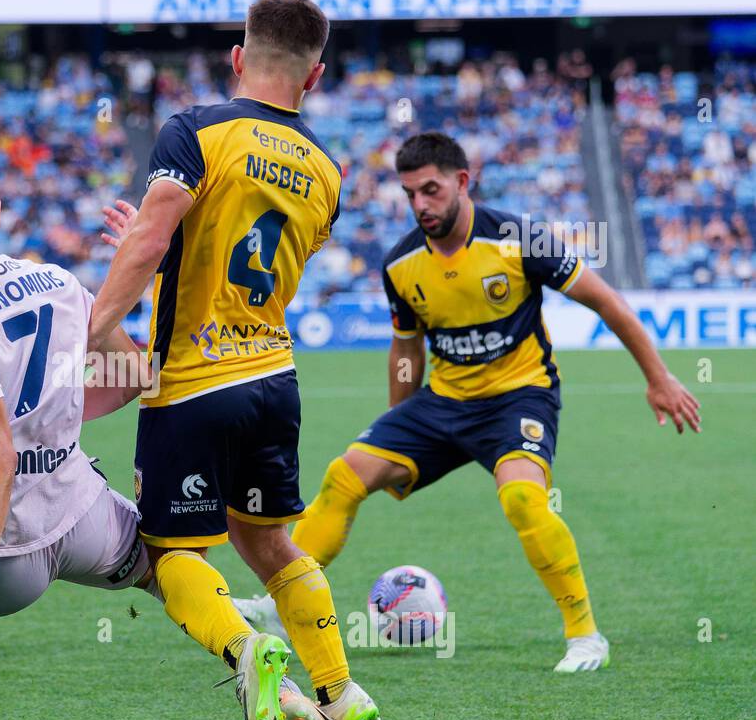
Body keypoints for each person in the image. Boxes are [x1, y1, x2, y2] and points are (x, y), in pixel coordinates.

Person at [0, 146, 353, 720]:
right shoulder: (57, 282)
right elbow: (132, 376)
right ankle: (270, 674)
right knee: (171, 573)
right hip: (80, 516)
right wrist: (58, 408)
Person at [249, 132, 701, 672]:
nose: (421, 205)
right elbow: (405, 347)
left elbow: (606, 301)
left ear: (463, 182)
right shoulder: (401, 263)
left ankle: (585, 635)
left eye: (432, 190)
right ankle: (283, 604)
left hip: (520, 398)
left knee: (523, 500)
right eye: (411, 193)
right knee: (346, 474)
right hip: (443, 402)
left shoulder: (517, 239)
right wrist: (396, 423)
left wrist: (658, 377)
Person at [87, 0, 380, 720]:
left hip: (194, 382)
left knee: (174, 553)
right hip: (273, 382)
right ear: (314, 77)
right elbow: (229, 249)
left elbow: (159, 238)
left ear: (238, 58)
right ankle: (341, 690)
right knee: (273, 547)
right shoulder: (327, 171)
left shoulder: (196, 129)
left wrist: (97, 322)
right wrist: (158, 239)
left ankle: (249, 654)